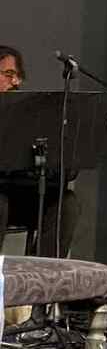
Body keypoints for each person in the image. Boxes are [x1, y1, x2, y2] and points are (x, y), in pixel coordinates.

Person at [0, 46, 78, 256]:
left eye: (18, 76)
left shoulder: (26, 115)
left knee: (66, 204)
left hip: (20, 195)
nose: (16, 82)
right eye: (9, 74)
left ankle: (42, 273)